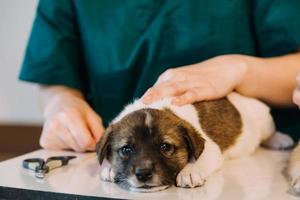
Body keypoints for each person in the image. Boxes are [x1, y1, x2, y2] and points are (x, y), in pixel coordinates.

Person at [20, 0, 300, 152]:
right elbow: (55, 72)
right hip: (115, 166)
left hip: (255, 159)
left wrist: (240, 69)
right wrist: (61, 103)